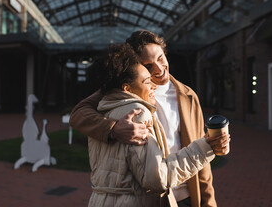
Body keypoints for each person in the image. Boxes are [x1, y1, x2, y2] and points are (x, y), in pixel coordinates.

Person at [70, 30, 226, 206]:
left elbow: (201, 156)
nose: (159, 69)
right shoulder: (125, 90)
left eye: (160, 58)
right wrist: (113, 129)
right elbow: (78, 113)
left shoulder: (188, 96)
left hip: (186, 197)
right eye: (149, 65)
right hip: (151, 197)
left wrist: (208, 201)